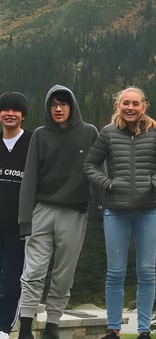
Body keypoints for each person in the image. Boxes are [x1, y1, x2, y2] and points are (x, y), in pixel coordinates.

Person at [83, 87, 156, 339]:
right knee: (115, 273)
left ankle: (144, 331)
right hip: (116, 211)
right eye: (126, 103)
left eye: (135, 103)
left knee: (147, 271)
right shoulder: (107, 133)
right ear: (119, 106)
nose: (130, 108)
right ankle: (113, 330)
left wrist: (153, 182)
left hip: (149, 211)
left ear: (144, 106)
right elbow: (89, 165)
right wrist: (108, 184)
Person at [17, 85, 98, 339]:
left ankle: (52, 325)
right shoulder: (40, 135)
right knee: (33, 271)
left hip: (74, 212)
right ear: (48, 108)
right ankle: (26, 327)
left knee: (65, 272)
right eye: (53, 104)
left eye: (64, 103)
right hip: (42, 209)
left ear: (72, 106)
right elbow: (29, 176)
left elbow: (98, 172)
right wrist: (24, 219)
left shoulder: (89, 133)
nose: (59, 108)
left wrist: (101, 207)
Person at [0, 92, 32, 339]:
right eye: (5, 109)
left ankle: (3, 328)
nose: (10, 113)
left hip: (20, 227)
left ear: (22, 115)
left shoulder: (33, 142)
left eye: (15, 110)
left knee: (13, 280)